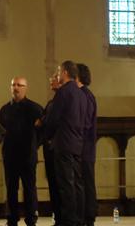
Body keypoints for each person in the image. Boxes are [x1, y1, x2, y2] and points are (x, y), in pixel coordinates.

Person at [45, 61, 86, 226]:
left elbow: (53, 118)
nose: (58, 74)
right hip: (77, 144)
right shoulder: (81, 94)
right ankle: (78, 219)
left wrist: (48, 135)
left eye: (59, 71)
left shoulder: (63, 92)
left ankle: (68, 221)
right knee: (76, 184)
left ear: (65, 72)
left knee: (65, 185)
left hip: (63, 144)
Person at [0, 77, 43, 226]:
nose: (16, 88)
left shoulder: (35, 108)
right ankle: (12, 219)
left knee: (29, 188)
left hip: (27, 155)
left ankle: (31, 219)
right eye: (13, 85)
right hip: (10, 154)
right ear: (10, 87)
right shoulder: (4, 109)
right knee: (11, 188)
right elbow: (1, 132)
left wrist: (35, 145)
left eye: (20, 85)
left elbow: (42, 131)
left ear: (26, 88)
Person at [76, 63, 97, 226]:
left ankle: (88, 218)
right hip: (81, 147)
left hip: (85, 148)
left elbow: (86, 122)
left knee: (86, 183)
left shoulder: (85, 95)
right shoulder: (81, 94)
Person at [41, 73, 61, 225]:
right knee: (53, 186)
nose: (50, 79)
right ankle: (58, 217)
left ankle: (63, 218)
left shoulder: (65, 101)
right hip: (49, 150)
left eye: (54, 77)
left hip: (59, 150)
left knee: (61, 186)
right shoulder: (51, 103)